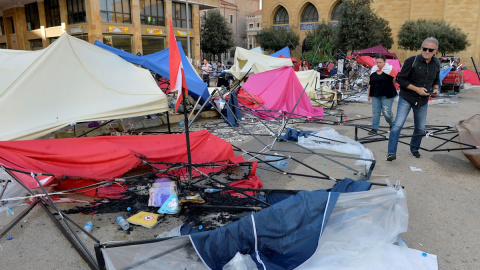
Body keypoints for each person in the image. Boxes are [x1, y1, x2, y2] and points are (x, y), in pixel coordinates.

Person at [386, 37, 440, 161]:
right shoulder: (412, 61)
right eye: (424, 48)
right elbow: (401, 79)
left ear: (435, 51)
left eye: (430, 50)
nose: (426, 51)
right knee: (397, 125)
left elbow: (436, 79)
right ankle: (391, 153)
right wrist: (417, 89)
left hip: (422, 101)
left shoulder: (436, 63)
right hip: (407, 98)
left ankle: (414, 149)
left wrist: (436, 88)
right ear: (421, 48)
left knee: (420, 128)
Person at [367, 54, 397, 134]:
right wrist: (368, 94)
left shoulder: (390, 69)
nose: (378, 64)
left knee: (386, 112)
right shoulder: (373, 70)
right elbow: (370, 83)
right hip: (375, 94)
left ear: (384, 62)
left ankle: (392, 124)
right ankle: (374, 128)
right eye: (377, 62)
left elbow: (395, 81)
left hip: (387, 94)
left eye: (380, 62)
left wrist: (395, 78)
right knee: (375, 112)